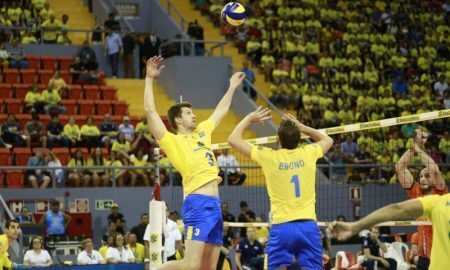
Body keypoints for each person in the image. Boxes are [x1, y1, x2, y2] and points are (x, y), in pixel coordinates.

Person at [143, 55, 244, 269]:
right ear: (178, 120)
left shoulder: (202, 133)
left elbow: (221, 111)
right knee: (191, 265)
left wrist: (232, 86)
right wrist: (149, 78)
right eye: (189, 113)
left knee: (208, 266)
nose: (194, 116)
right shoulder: (172, 141)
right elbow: (150, 112)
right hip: (197, 204)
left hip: (215, 206)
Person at [228, 109, 333, 269]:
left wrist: (249, 117)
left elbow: (233, 139)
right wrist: (302, 127)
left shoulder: (269, 156)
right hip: (308, 226)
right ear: (299, 139)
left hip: (282, 227)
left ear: (278, 139)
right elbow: (328, 140)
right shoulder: (309, 152)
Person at [331, 193, 450, 270]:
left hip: (378, 259)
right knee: (371, 262)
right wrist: (379, 259)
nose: (375, 233)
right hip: (369, 259)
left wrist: (355, 227)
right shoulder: (366, 239)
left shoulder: (438, 202)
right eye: (373, 232)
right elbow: (367, 255)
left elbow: (397, 209)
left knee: (391, 262)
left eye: (376, 232)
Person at [395, 130, 448, 269]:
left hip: (442, 254)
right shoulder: (416, 192)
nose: (423, 178)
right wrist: (415, 145)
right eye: (421, 177)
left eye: (427, 176)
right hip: (424, 257)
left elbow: (434, 169)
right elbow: (400, 168)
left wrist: (417, 149)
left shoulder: (441, 192)